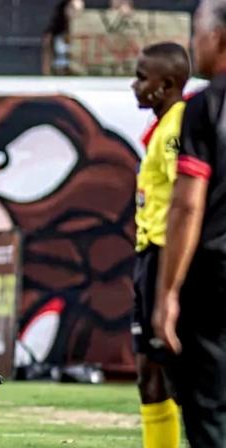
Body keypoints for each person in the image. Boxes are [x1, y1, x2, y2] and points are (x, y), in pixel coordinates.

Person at [153, 1, 226, 445]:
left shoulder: (205, 107)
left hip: (214, 277)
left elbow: (187, 205)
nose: (192, 45)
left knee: (208, 410)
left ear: (217, 38)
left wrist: (167, 292)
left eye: (196, 34)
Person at [130, 41, 190, 448]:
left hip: (165, 256)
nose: (134, 86)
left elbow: (187, 196)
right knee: (149, 374)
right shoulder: (161, 126)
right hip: (149, 254)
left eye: (141, 77)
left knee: (167, 372)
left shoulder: (177, 128)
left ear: (166, 84)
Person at [41, 0, 85, 76]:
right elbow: (47, 57)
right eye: (72, 8)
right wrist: (47, 75)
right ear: (65, 9)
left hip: (80, 77)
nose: (76, 13)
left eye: (80, 10)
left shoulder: (86, 32)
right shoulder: (54, 34)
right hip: (59, 76)